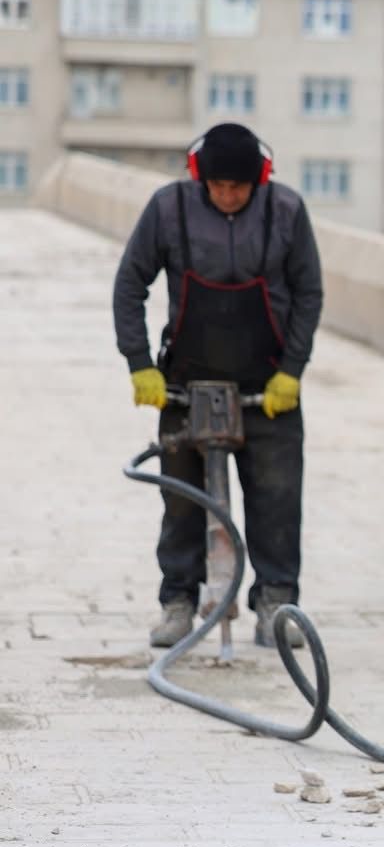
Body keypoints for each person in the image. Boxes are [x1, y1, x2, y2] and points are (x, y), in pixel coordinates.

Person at [113, 123, 324, 650]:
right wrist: (140, 363)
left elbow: (308, 293)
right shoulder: (169, 209)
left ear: (261, 179)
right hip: (187, 385)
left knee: (276, 500)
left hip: (265, 388)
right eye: (218, 186)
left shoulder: (287, 212)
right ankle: (179, 602)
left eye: (239, 187)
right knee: (181, 505)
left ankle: (276, 602)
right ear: (198, 177)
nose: (228, 196)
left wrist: (291, 372)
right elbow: (130, 283)